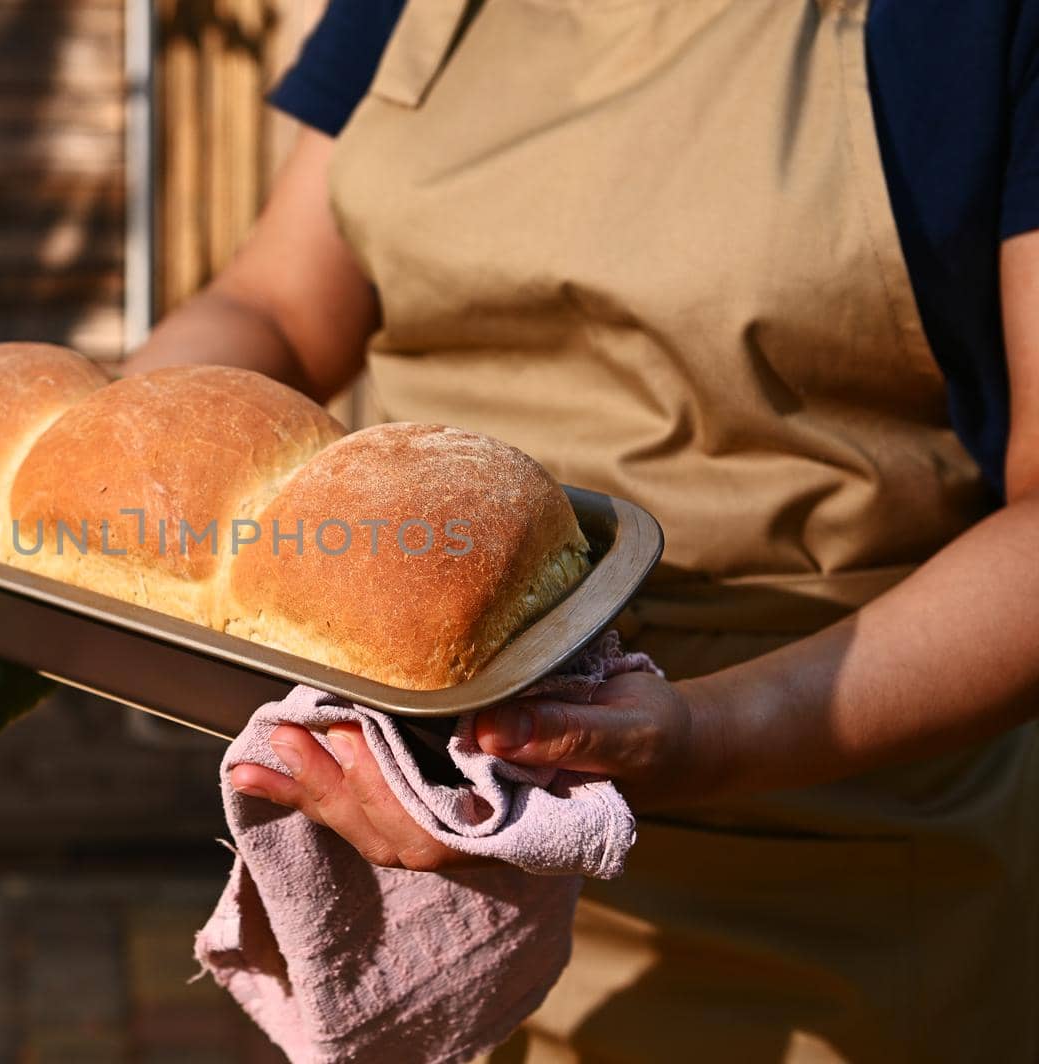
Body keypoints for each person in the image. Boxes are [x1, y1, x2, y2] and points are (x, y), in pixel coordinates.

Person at [123, 0, 1039, 1059]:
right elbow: (279, 304)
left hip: (824, 855)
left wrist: (698, 739)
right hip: (414, 845)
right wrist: (121, 451)